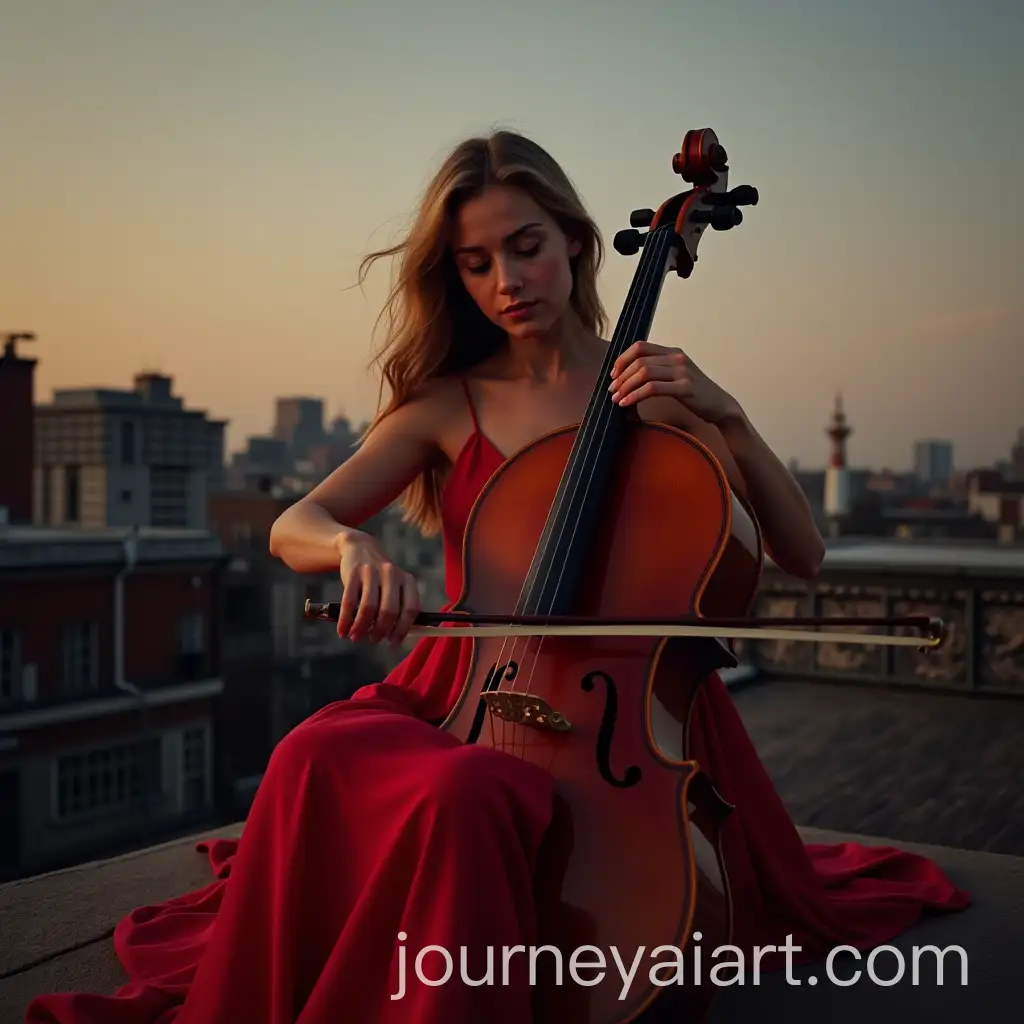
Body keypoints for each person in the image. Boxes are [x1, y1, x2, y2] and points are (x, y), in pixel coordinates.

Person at [26, 129, 969, 1024]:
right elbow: (292, 524)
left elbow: (802, 553)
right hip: (462, 690)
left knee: (463, 794)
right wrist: (354, 549)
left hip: (633, 713)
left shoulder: (656, 397)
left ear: (575, 240)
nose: (506, 282)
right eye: (476, 264)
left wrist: (728, 415)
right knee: (310, 753)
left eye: (525, 248)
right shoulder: (450, 403)